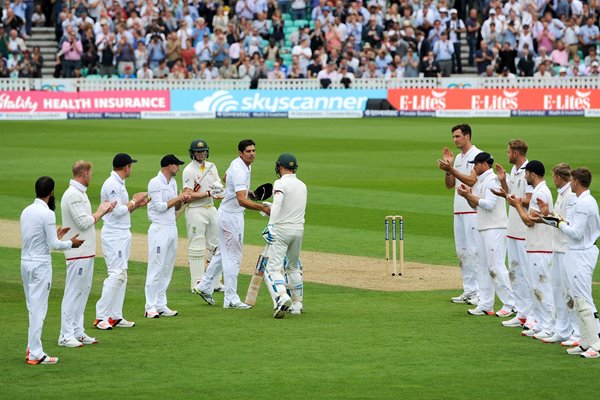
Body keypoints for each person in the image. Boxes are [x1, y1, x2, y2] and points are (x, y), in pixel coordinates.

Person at [193, 139, 271, 309]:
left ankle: (204, 286)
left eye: (253, 150)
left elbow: (226, 177)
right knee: (233, 257)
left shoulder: (238, 164)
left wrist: (240, 190)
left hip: (226, 214)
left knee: (223, 253)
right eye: (248, 151)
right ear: (240, 153)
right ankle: (231, 299)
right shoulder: (240, 169)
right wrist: (262, 208)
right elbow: (241, 200)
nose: (252, 153)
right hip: (231, 218)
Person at [537, 168, 600, 358]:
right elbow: (570, 225)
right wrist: (551, 218)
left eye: (572, 180)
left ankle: (596, 344)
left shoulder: (584, 203)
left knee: (583, 299)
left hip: (581, 253)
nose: (569, 182)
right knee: (578, 297)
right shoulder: (581, 201)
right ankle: (585, 341)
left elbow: (576, 232)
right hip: (575, 252)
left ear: (577, 182)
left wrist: (558, 223)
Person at [21, 176, 84, 365]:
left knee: (33, 307)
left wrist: (55, 234)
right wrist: (70, 244)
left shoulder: (26, 211)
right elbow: (53, 245)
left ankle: (32, 347)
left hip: (25, 263)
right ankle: (36, 354)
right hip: (40, 266)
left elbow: (36, 238)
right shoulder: (47, 213)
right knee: (39, 309)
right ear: (52, 192)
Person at [58, 161, 115, 347]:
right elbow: (83, 223)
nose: (91, 176)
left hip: (86, 252)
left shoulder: (79, 193)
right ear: (84, 173)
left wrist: (101, 212)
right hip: (77, 253)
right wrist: (101, 211)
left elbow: (85, 221)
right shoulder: (73, 195)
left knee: (83, 292)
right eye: (90, 173)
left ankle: (77, 331)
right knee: (73, 293)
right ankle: (65, 335)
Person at [94, 153, 149, 330]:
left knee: (121, 274)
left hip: (122, 232)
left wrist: (138, 204)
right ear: (126, 167)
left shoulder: (119, 184)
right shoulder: (111, 184)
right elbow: (117, 212)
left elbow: (123, 211)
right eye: (131, 165)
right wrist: (134, 200)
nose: (131, 168)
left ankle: (114, 316)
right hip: (114, 235)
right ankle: (100, 316)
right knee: (116, 273)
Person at [457, 152, 515, 316]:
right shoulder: (481, 181)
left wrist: (469, 195)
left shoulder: (492, 180)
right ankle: (485, 304)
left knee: (496, 265)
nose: (474, 167)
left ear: (484, 164)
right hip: (483, 227)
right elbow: (475, 207)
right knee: (482, 266)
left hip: (495, 228)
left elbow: (489, 204)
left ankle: (511, 304)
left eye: (476, 164)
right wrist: (467, 195)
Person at [506, 160, 555, 339]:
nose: (525, 176)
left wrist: (517, 206)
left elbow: (529, 221)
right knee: (536, 286)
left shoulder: (539, 193)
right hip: (536, 246)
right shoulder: (540, 191)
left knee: (542, 287)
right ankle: (541, 324)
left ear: (533, 174)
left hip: (541, 247)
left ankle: (549, 326)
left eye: (526, 173)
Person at [437, 124, 481, 305]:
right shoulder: (457, 159)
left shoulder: (478, 156)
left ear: (467, 136)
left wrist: (452, 169)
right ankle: (469, 290)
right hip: (459, 209)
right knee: (462, 252)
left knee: (474, 251)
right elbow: (450, 185)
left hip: (472, 209)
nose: (454, 140)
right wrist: (449, 167)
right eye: (453, 137)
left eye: (457, 136)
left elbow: (472, 180)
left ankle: (480, 292)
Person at [492, 140, 533, 328]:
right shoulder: (515, 172)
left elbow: (530, 201)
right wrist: (503, 182)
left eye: (508, 151)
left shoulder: (529, 171)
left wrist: (515, 199)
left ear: (516, 152)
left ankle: (533, 316)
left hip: (525, 231)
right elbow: (512, 197)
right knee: (515, 273)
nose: (507, 154)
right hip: (513, 229)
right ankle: (522, 313)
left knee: (527, 274)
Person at [262, 153, 307, 318]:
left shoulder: (280, 183)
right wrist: (270, 208)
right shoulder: (302, 185)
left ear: (279, 167)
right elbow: (289, 207)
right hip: (298, 230)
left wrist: (270, 225)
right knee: (293, 266)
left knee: (272, 268)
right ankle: (297, 304)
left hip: (281, 231)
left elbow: (280, 202)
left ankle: (281, 297)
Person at [538, 164, 578, 344]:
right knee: (557, 290)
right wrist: (548, 214)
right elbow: (558, 218)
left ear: (559, 178)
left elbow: (567, 223)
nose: (552, 179)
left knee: (568, 291)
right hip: (557, 248)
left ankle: (577, 332)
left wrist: (548, 216)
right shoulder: (562, 194)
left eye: (554, 176)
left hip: (566, 249)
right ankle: (562, 329)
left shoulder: (570, 197)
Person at [145, 154, 187, 318]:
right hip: (159, 228)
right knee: (156, 267)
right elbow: (160, 207)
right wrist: (178, 197)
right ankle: (150, 306)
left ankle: (161, 304)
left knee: (167, 267)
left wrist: (182, 199)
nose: (179, 168)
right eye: (177, 165)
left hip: (171, 227)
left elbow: (175, 207)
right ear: (170, 166)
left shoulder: (173, 182)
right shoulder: (155, 182)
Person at [182, 139, 225, 292]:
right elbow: (187, 195)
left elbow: (218, 186)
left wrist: (220, 191)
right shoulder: (188, 170)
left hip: (211, 209)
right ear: (192, 153)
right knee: (197, 247)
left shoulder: (212, 167)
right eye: (198, 151)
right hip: (195, 210)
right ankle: (197, 283)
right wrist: (207, 193)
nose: (201, 154)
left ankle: (215, 282)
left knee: (216, 246)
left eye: (203, 151)